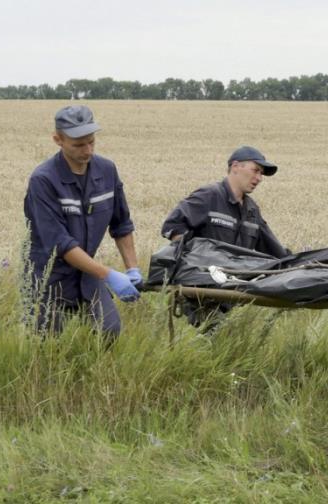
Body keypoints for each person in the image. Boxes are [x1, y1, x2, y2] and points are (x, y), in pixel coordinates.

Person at [24, 105, 142, 342]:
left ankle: (94, 376)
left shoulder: (107, 171)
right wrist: (109, 275)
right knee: (47, 346)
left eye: (91, 142)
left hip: (87, 272)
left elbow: (121, 224)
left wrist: (132, 269)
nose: (87, 150)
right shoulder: (44, 180)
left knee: (108, 331)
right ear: (58, 139)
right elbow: (62, 244)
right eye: (78, 144)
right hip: (49, 278)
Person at [161, 146, 289, 328]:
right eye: (256, 171)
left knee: (230, 342)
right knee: (215, 338)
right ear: (235, 166)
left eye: (261, 174)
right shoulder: (209, 196)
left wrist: (302, 265)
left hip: (232, 297)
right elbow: (172, 227)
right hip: (200, 298)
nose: (259, 178)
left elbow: (275, 252)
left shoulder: (252, 211)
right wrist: (196, 262)